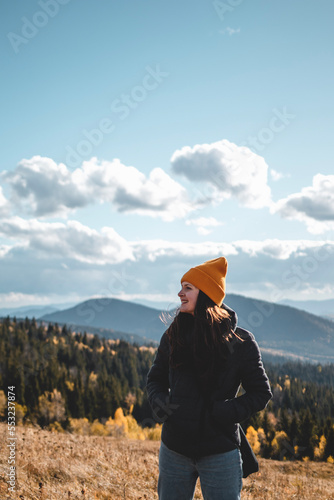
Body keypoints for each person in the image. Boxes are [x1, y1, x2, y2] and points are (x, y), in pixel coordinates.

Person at [146, 257, 272, 500]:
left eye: (188, 288)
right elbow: (156, 379)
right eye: (182, 287)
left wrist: (225, 412)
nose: (180, 293)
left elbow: (261, 393)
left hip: (220, 452)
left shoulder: (241, 342)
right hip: (174, 450)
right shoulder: (174, 334)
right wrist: (164, 408)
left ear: (205, 294)